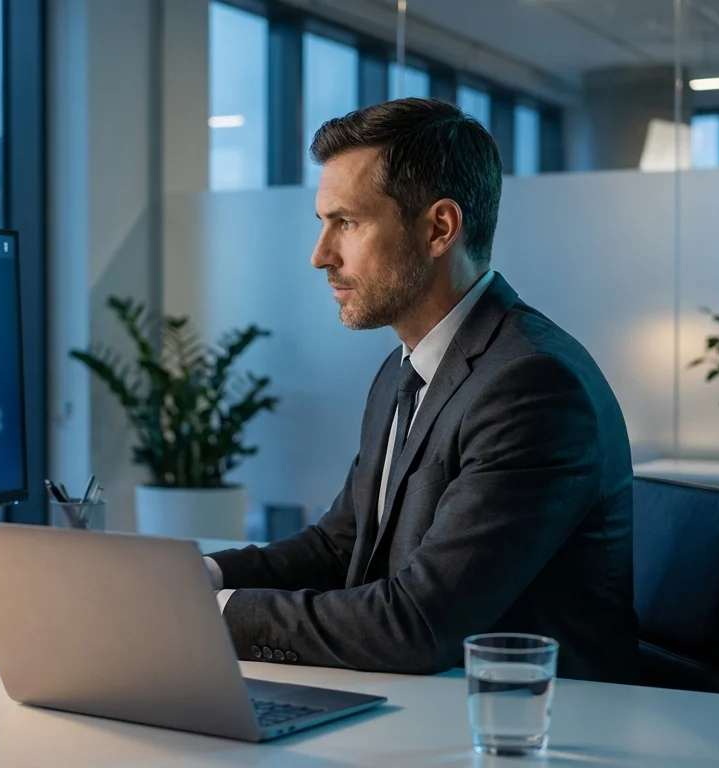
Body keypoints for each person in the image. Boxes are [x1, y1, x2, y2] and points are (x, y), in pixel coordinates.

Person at [204, 98, 638, 685]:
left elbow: (417, 625)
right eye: (322, 223)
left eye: (347, 223)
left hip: (529, 727)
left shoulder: (532, 385)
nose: (320, 256)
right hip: (426, 705)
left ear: (439, 228)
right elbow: (343, 545)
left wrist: (216, 615)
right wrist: (198, 577)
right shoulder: (403, 369)